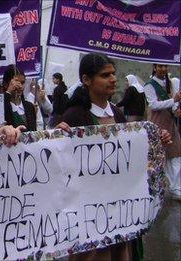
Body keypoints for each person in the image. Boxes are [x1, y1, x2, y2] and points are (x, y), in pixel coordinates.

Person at [57, 52, 171, 260]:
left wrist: (154, 142)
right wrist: (57, 138)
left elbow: (130, 155)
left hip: (118, 207)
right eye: (105, 75)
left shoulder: (117, 115)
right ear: (86, 80)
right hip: (89, 211)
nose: (113, 79)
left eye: (113, 73)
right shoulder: (74, 115)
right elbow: (62, 163)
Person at [144, 64, 181, 200]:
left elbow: (172, 105)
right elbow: (153, 105)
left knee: (176, 155)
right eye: (160, 66)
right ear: (154, 68)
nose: (163, 69)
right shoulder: (150, 85)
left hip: (170, 123)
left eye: (165, 66)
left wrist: (175, 109)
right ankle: (154, 188)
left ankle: (176, 188)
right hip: (157, 123)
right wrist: (174, 100)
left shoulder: (170, 83)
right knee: (157, 156)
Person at [3, 65, 37, 131]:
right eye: (15, 83)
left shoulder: (29, 106)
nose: (20, 86)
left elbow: (34, 131)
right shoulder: (2, 107)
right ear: (5, 84)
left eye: (22, 82)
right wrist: (9, 92)